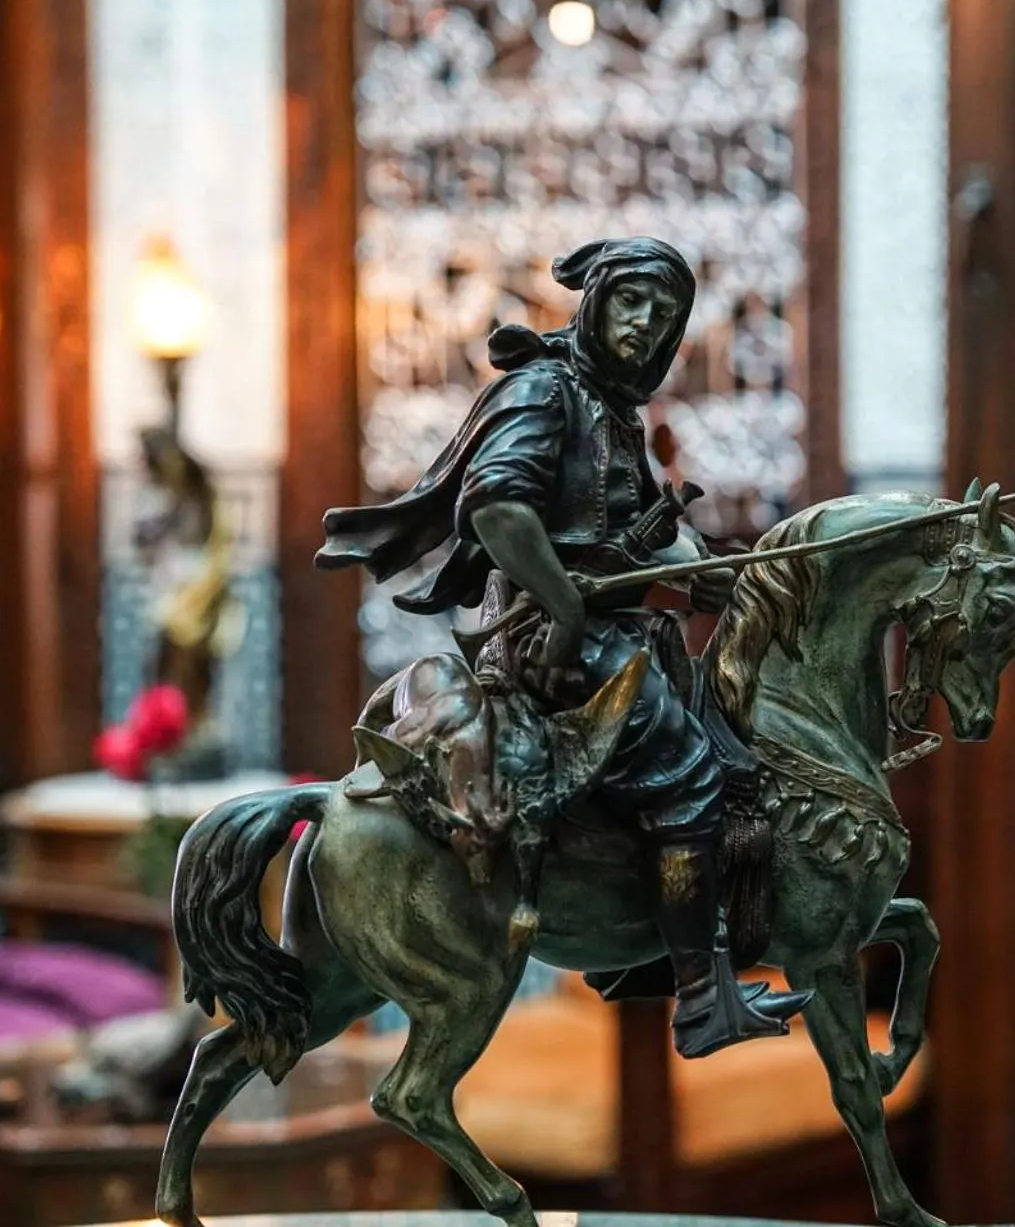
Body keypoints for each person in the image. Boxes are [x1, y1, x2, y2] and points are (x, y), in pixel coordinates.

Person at [315, 237, 811, 1058]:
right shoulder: (546, 391)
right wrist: (568, 611)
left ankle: (644, 947)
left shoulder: (613, 408)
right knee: (688, 777)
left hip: (617, 633)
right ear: (595, 301)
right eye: (629, 302)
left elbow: (646, 542)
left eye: (661, 313)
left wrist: (725, 578)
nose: (644, 324)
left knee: (731, 743)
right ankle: (701, 997)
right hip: (552, 641)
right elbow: (499, 511)